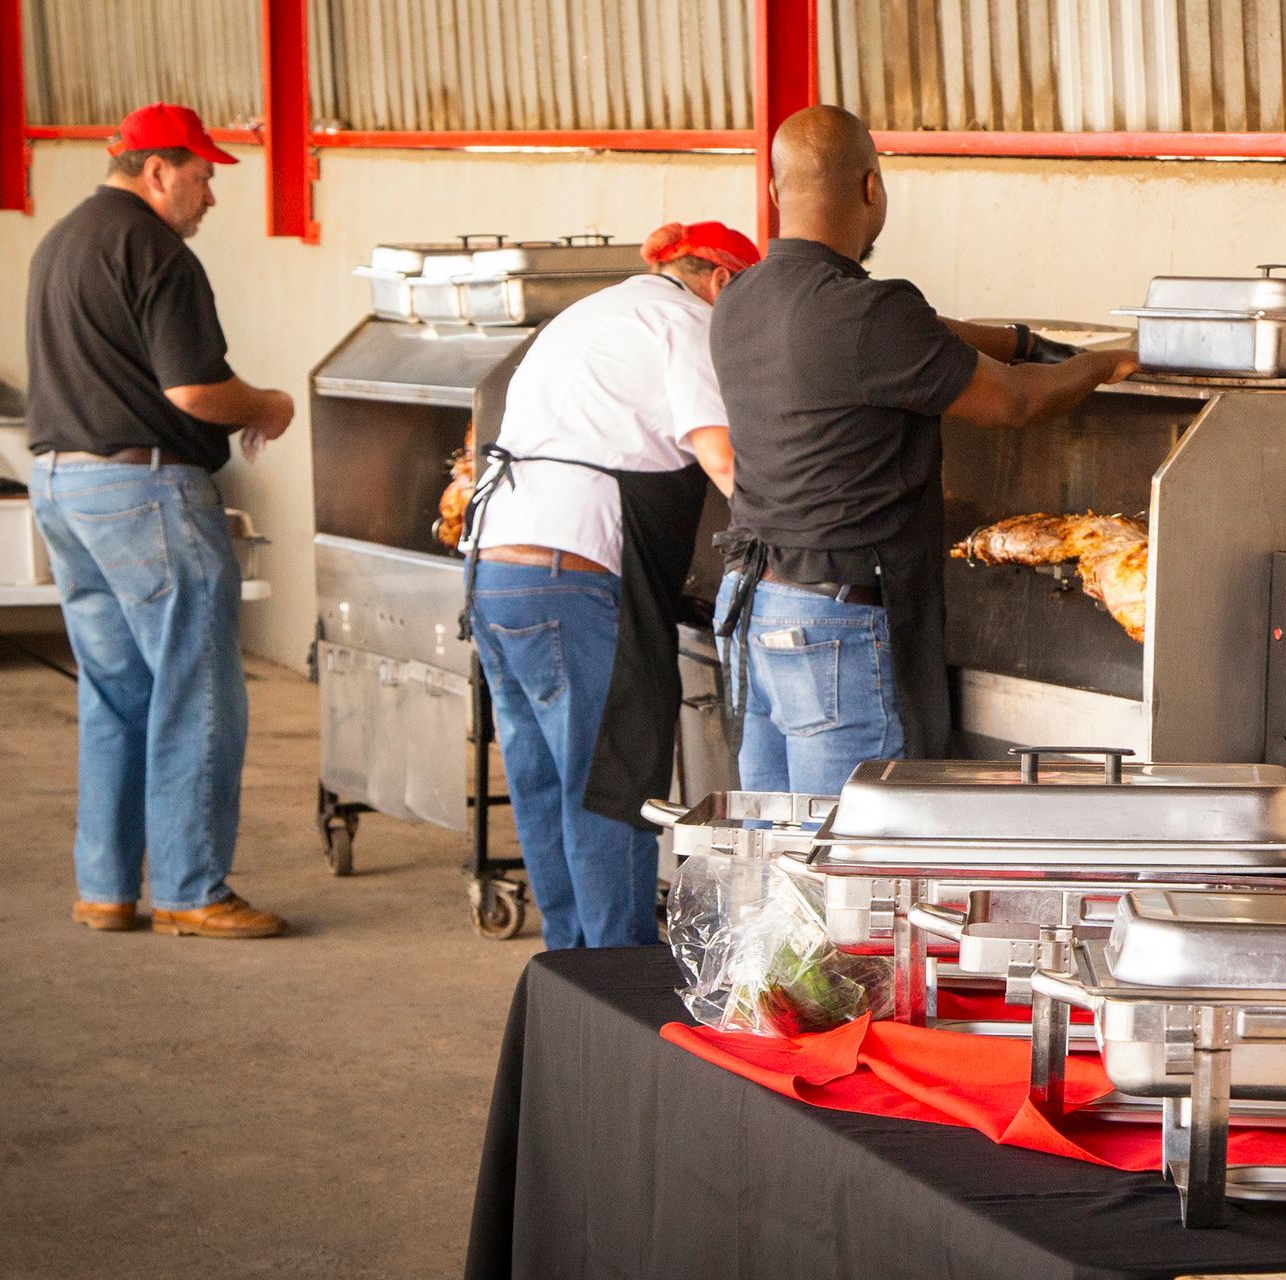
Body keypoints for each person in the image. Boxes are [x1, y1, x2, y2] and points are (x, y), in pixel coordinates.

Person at [710, 105, 1138, 796]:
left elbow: (925, 331)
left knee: (772, 837)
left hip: (752, 604)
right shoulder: (868, 313)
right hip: (833, 622)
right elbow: (1016, 403)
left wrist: (1023, 342)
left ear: (774, 190)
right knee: (850, 841)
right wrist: (1104, 362)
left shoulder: (741, 297)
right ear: (871, 187)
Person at [25, 102, 295, 939]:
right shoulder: (156, 250)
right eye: (203, 176)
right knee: (197, 689)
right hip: (143, 491)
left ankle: (106, 889)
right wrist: (269, 405)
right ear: (157, 171)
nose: (210, 195)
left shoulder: (61, 241)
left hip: (61, 485)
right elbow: (193, 390)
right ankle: (190, 889)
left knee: (115, 694)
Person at [463, 221, 752, 950]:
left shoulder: (587, 314)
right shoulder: (685, 322)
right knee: (610, 782)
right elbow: (720, 456)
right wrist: (788, 544)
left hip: (495, 569)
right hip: (575, 575)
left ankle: (569, 969)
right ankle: (616, 973)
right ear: (721, 280)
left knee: (543, 785)